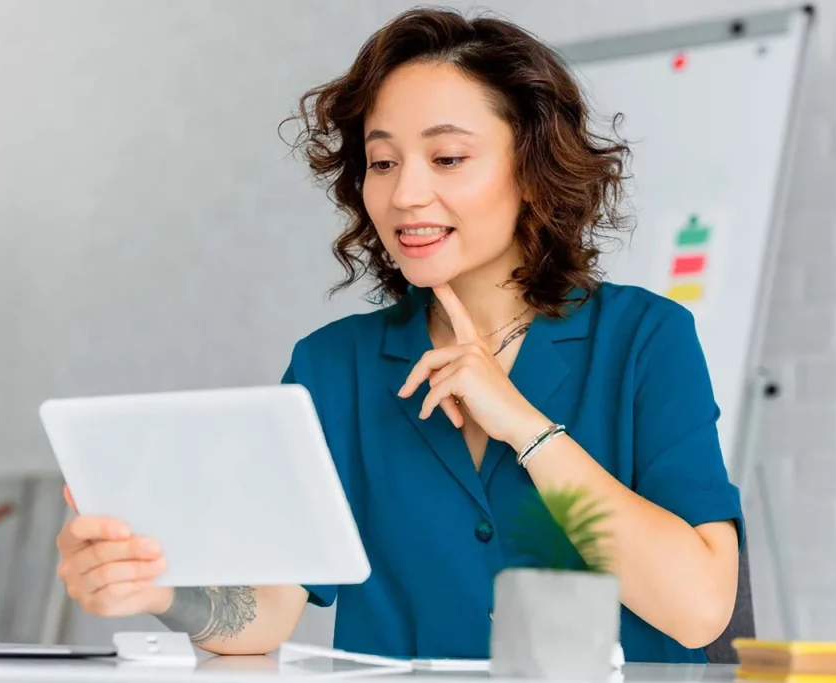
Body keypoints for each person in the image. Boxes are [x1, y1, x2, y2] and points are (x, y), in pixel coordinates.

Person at [54, 7, 744, 663]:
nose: (405, 193)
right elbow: (266, 610)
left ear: (532, 173)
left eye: (446, 158)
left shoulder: (646, 338)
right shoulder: (333, 367)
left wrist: (523, 424)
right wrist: (159, 590)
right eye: (382, 162)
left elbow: (698, 608)